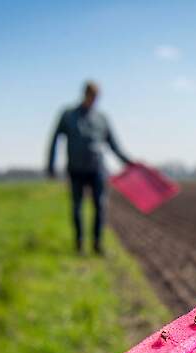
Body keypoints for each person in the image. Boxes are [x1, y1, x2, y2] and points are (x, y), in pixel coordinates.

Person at [47, 81, 133, 255]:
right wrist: (51, 165)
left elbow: (113, 144)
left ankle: (97, 245)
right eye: (91, 96)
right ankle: (79, 245)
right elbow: (55, 139)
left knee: (100, 205)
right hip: (76, 168)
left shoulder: (102, 118)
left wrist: (128, 162)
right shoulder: (68, 115)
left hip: (97, 168)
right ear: (84, 94)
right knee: (77, 206)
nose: (93, 100)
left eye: (96, 97)